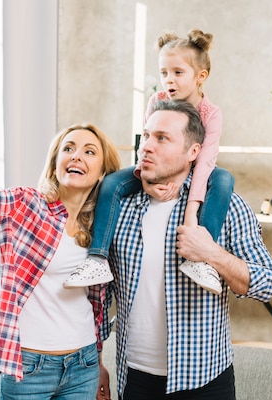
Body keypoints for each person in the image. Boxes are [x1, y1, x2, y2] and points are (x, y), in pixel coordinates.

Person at [0, 87, 121, 400]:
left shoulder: (102, 229)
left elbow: (97, 304)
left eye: (90, 151)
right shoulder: (25, 205)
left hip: (83, 365)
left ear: (103, 171)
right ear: (55, 161)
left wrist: (100, 360)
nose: (77, 155)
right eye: (68, 148)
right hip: (28, 368)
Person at [94, 99, 272, 400]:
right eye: (146, 135)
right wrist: (95, 360)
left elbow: (266, 283)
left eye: (162, 138)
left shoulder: (225, 206)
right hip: (135, 379)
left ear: (194, 152)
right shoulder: (119, 207)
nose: (146, 146)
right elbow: (99, 292)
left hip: (206, 377)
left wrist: (210, 253)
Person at [64, 28, 234, 295]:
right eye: (164, 72)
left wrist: (191, 214)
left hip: (196, 169)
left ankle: (200, 258)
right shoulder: (157, 101)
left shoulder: (210, 113)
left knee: (224, 179)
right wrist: (145, 179)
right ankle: (97, 258)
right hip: (157, 168)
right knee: (112, 183)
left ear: (201, 76)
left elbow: (205, 163)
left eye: (178, 72)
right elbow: (146, 146)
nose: (169, 80)